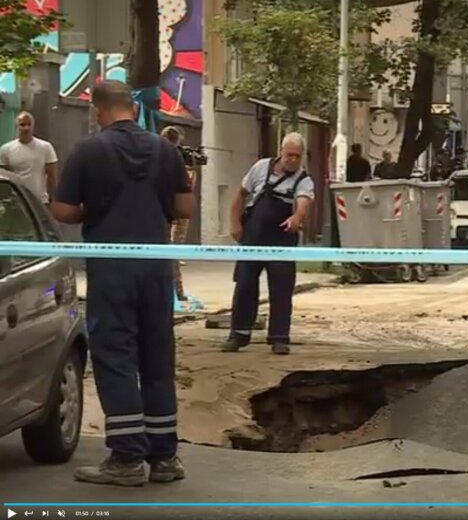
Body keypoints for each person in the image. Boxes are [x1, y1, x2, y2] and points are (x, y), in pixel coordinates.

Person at [51, 80, 194, 486]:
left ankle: (127, 458)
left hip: (112, 267)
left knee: (115, 357)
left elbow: (63, 210)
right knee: (156, 356)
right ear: (132, 107)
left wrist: (91, 211)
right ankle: (164, 457)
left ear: (98, 111)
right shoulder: (166, 150)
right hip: (154, 267)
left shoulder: (88, 150)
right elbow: (184, 206)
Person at [224, 132, 315, 355]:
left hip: (281, 240)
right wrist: (235, 223)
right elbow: (241, 195)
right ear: (280, 152)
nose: (292, 160)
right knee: (245, 285)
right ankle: (238, 335)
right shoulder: (260, 168)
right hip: (253, 237)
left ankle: (279, 338)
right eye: (288, 155)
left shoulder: (304, 180)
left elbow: (303, 203)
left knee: (281, 289)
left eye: (297, 156)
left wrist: (296, 218)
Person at [161, 126, 195, 300]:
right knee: (171, 252)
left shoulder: (160, 157)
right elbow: (188, 191)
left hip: (168, 212)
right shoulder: (169, 159)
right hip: (169, 212)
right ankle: (175, 290)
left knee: (170, 251)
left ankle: (175, 290)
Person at [0, 111, 59, 204]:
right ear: (17, 127)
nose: (26, 128)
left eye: (29, 124)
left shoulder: (45, 147)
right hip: (17, 203)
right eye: (22, 125)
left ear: (33, 126)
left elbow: (53, 176)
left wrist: (55, 200)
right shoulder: (6, 149)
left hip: (40, 202)